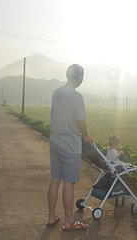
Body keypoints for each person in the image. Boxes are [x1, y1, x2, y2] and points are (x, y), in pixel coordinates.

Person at [47, 64, 93, 231]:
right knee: (69, 183)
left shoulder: (57, 92)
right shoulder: (76, 96)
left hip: (55, 140)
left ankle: (52, 217)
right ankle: (69, 221)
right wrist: (86, 135)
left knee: (55, 180)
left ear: (67, 75)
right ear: (80, 78)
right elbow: (80, 122)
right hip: (70, 144)